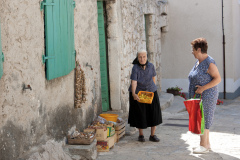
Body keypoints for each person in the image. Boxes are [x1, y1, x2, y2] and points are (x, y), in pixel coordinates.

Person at [188, 38, 221, 153]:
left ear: (199, 49)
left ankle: (203, 145)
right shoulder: (198, 62)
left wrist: (202, 88)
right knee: (199, 118)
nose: (192, 52)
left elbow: (218, 79)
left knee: (203, 119)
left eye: (193, 49)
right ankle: (206, 144)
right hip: (198, 96)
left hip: (207, 95)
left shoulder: (209, 62)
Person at [128, 49, 162, 142]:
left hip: (151, 91)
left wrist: (153, 90)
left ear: (147, 57)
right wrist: (134, 94)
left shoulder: (151, 66)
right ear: (137, 58)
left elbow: (153, 77)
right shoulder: (135, 68)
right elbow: (134, 81)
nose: (142, 59)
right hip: (139, 92)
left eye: (144, 57)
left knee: (153, 113)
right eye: (140, 57)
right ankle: (141, 135)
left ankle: (152, 135)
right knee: (140, 113)